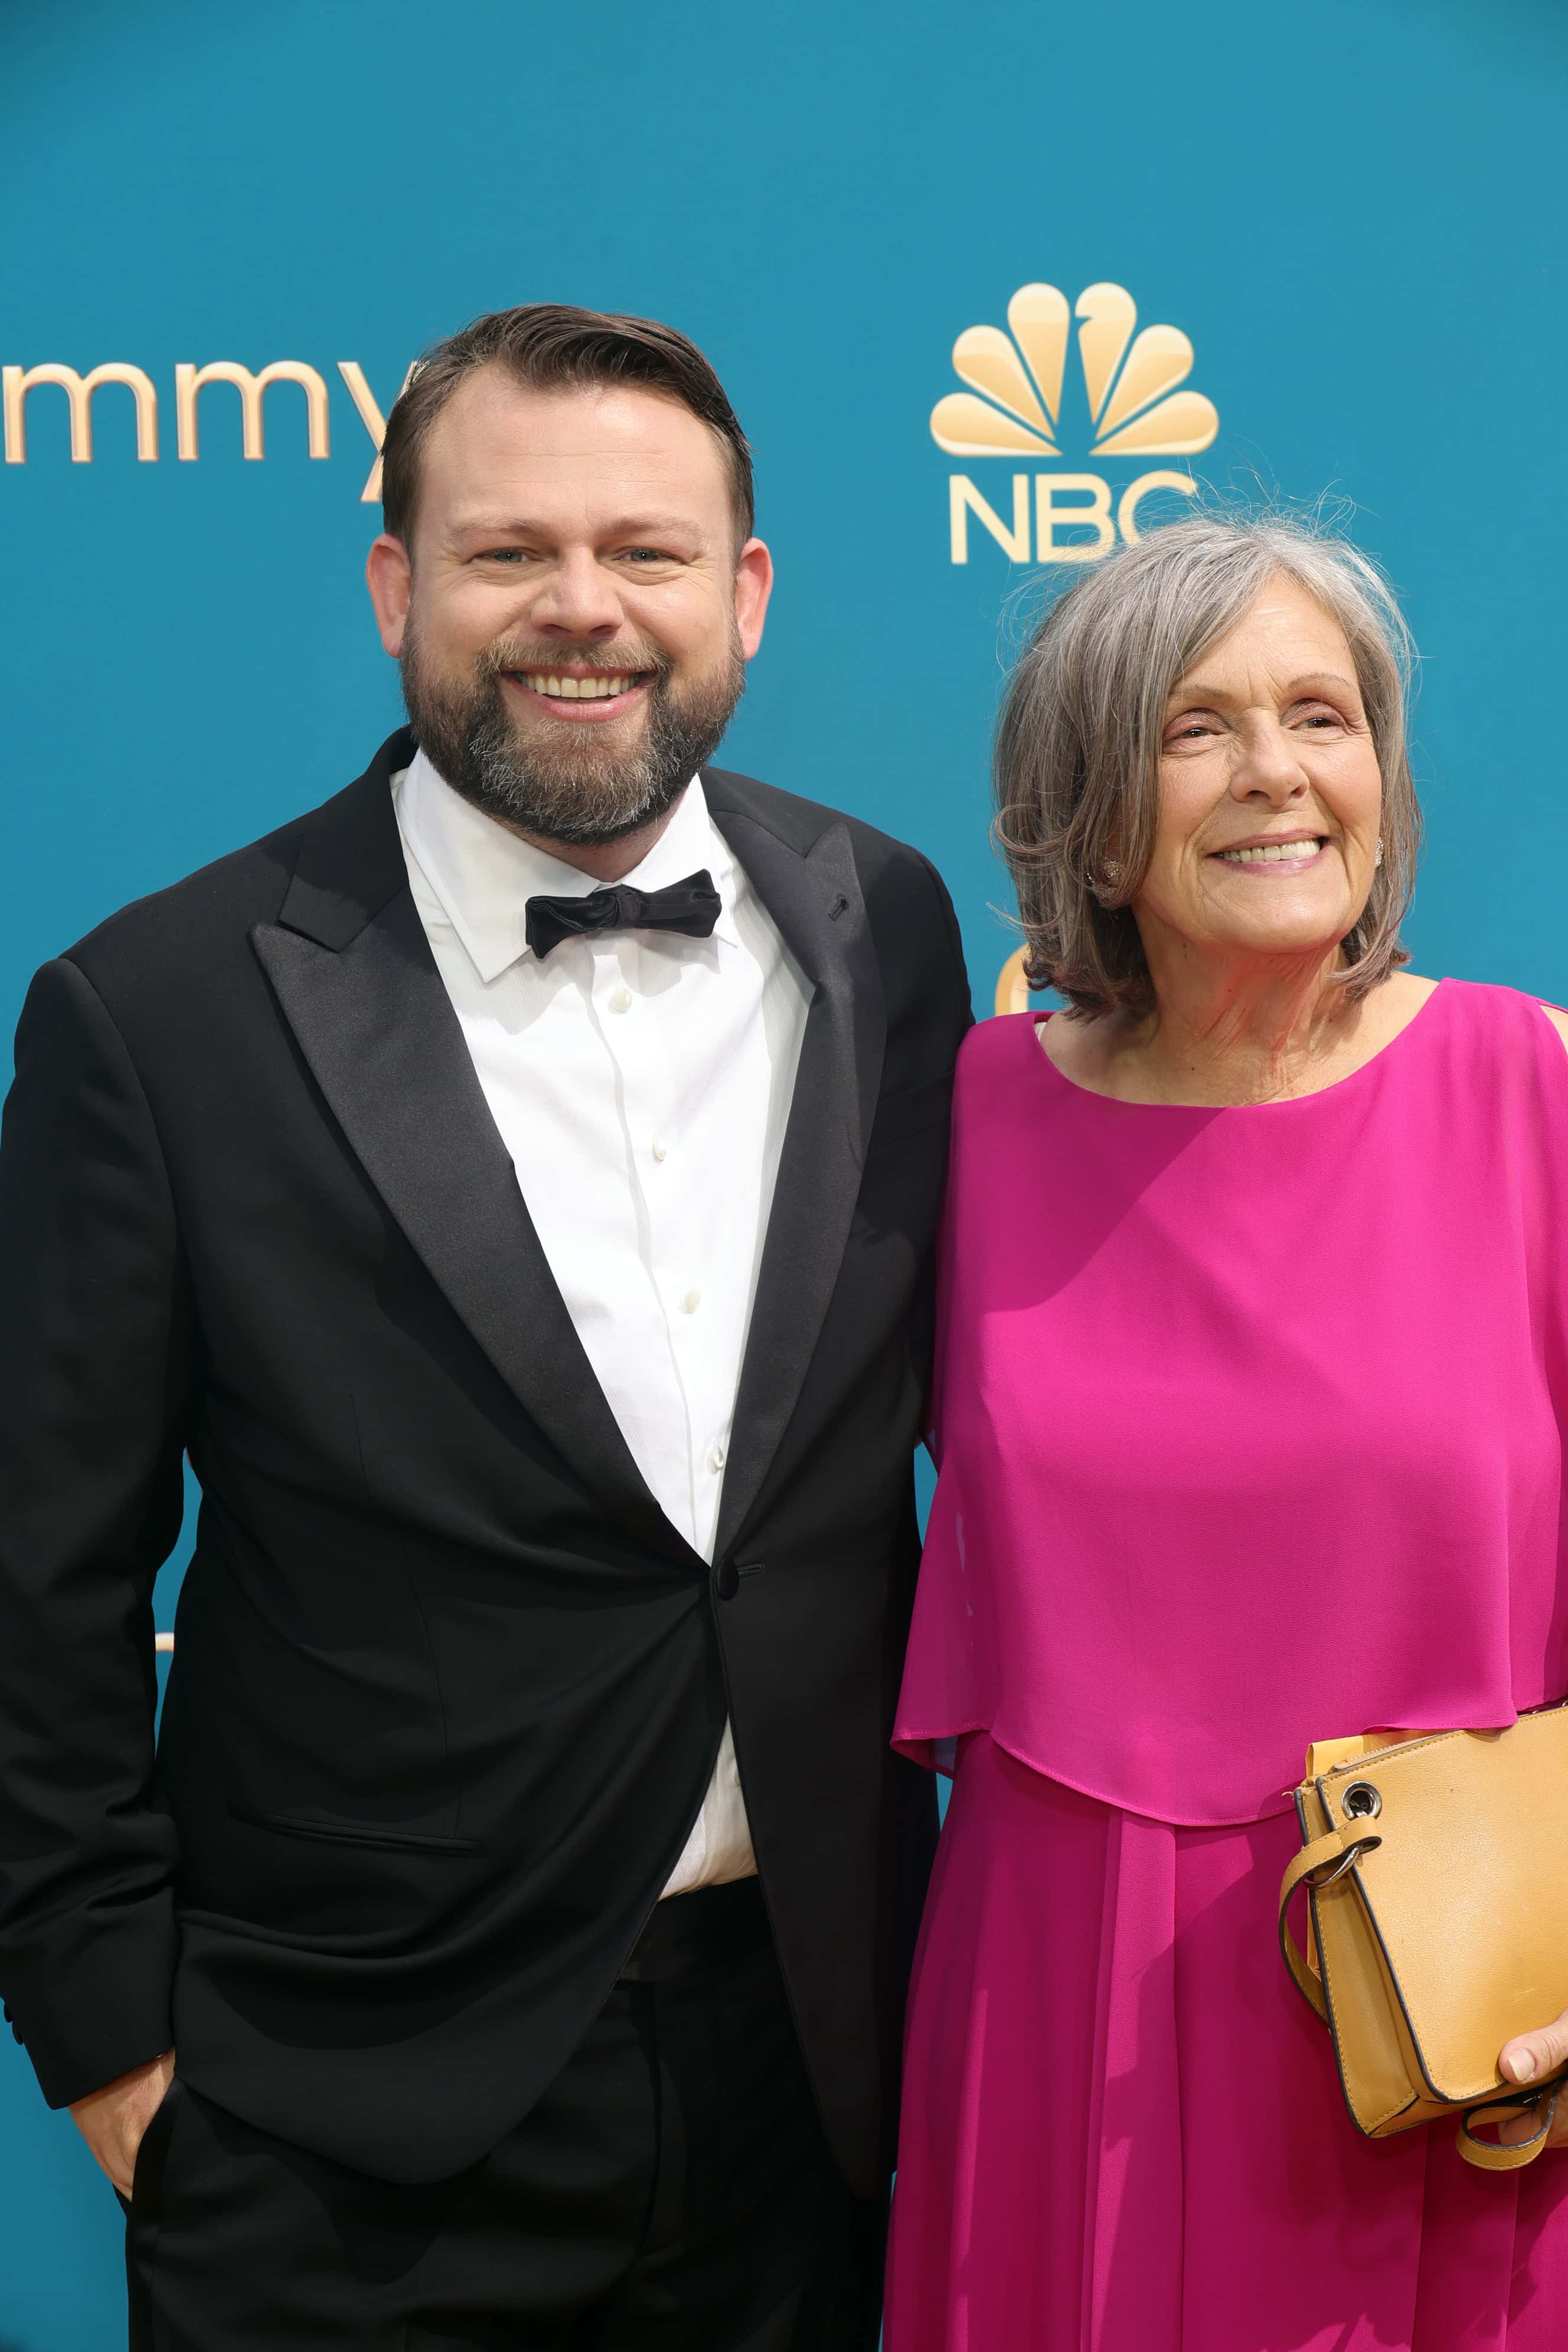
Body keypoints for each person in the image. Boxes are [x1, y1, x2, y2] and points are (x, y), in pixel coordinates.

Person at [0, 303, 971, 2350]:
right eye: (509, 552)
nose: (583, 611)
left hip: (815, 2084)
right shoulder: (159, 1009)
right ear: (394, 588)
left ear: (750, 595)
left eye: (647, 551)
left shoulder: (883, 925)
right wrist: (111, 2043)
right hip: (341, 2130)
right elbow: (39, 1571)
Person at [884, 515, 1568, 2351]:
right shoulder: (968, 1116)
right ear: (1097, 813)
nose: (1277, 771)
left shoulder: (1533, 1089)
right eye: (1198, 729)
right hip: (1056, 2005)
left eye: (1322, 717)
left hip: (1455, 2015)